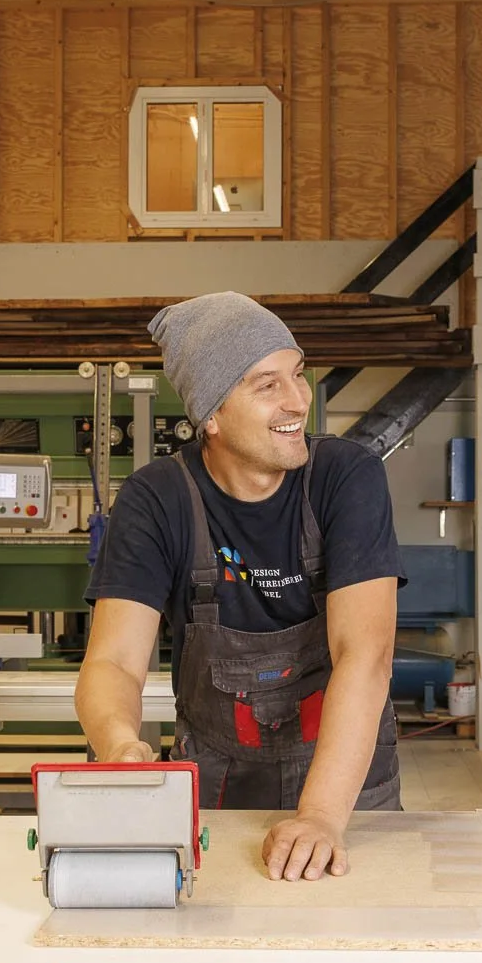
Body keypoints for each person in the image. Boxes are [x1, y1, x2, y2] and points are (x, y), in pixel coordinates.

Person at [75, 292, 405, 883]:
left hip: (347, 797)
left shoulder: (345, 478)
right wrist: (118, 745)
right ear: (212, 415)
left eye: (298, 375)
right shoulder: (158, 500)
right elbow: (114, 662)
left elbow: (366, 654)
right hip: (217, 795)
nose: (298, 401)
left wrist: (322, 817)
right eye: (266, 385)